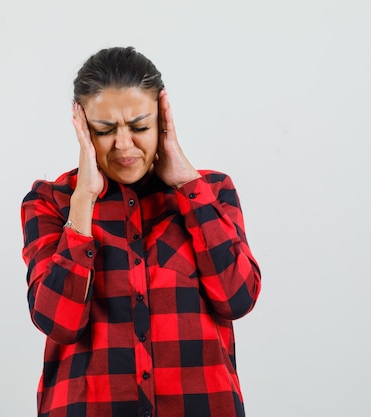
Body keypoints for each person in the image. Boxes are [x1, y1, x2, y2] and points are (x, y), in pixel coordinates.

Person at [20, 46, 261, 417]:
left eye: (139, 127)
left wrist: (188, 186)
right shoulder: (50, 202)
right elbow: (58, 322)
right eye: (104, 130)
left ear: (163, 121)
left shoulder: (211, 192)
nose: (124, 145)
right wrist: (83, 201)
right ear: (82, 127)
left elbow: (238, 298)